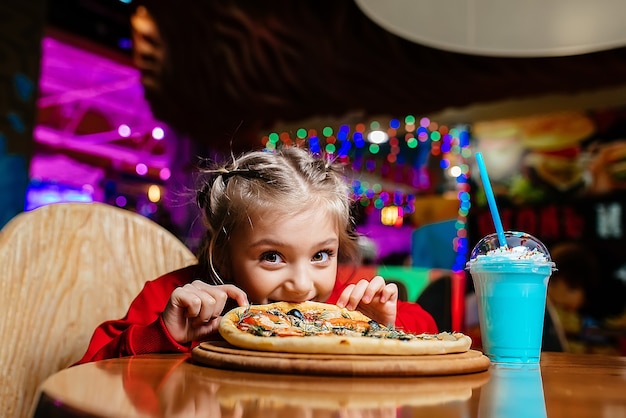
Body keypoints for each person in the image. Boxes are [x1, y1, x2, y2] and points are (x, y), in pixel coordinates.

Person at [74, 147, 437, 365]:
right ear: (224, 255)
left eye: (321, 255)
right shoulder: (176, 297)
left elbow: (428, 328)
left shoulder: (346, 299)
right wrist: (161, 335)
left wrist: (380, 329)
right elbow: (88, 371)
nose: (302, 285)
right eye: (273, 257)